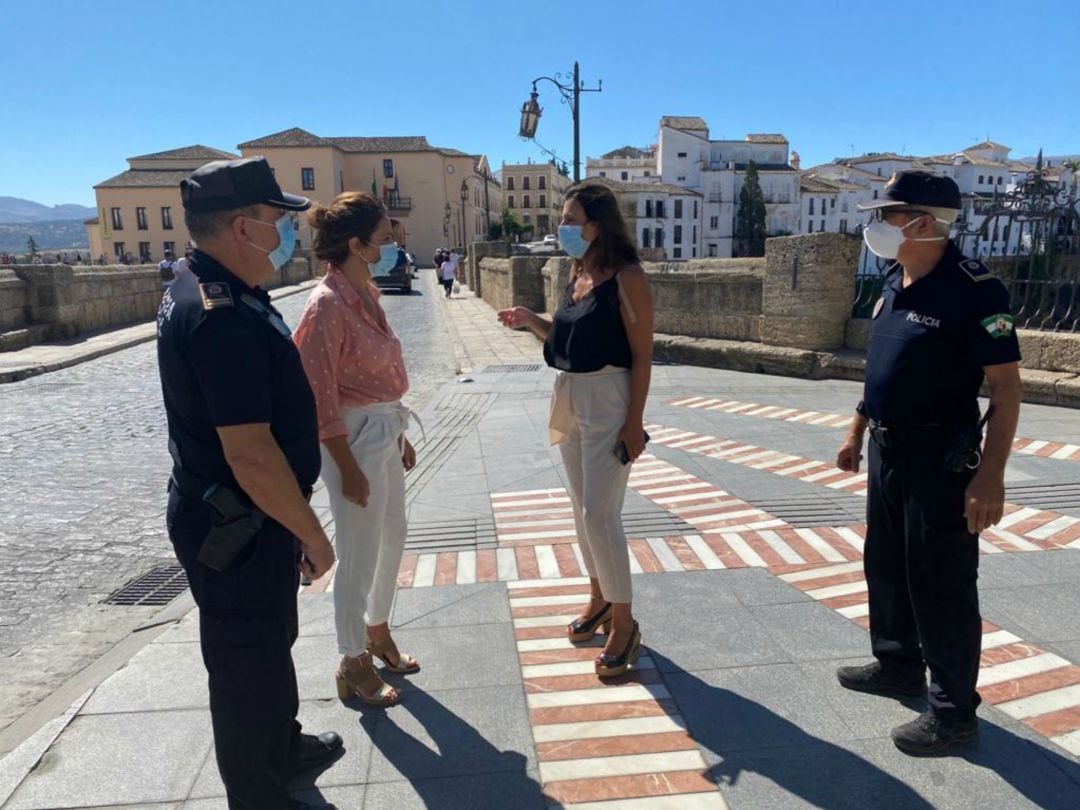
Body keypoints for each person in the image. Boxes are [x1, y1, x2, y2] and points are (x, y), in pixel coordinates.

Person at [156, 157, 342, 809]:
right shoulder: (222, 316)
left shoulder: (211, 283)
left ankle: (282, 747)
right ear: (243, 226)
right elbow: (252, 453)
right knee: (244, 666)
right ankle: (258, 794)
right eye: (277, 220)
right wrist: (312, 533)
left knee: (268, 645)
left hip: (247, 517)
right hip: (237, 520)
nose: (287, 231)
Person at [835, 170, 1023, 756]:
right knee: (886, 564)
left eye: (887, 215)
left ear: (923, 222)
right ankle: (896, 664)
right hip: (886, 448)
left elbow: (1007, 389)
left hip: (941, 458)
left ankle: (953, 712)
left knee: (941, 583)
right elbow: (884, 366)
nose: (876, 226)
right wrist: (856, 429)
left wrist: (989, 477)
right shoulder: (895, 275)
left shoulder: (976, 290)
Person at [497, 183, 654, 678]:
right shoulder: (578, 272)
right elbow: (568, 336)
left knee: (599, 514)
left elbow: (643, 354)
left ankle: (625, 620)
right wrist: (531, 322)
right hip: (570, 393)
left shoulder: (628, 278)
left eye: (571, 219)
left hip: (610, 397)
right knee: (580, 510)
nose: (562, 228)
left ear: (598, 224)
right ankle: (598, 598)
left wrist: (635, 422)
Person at [293, 191, 420, 708]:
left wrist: (399, 434)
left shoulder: (367, 293)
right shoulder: (325, 306)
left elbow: (378, 378)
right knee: (358, 550)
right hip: (352, 437)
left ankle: (378, 628)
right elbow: (318, 397)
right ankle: (351, 659)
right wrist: (347, 467)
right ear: (356, 244)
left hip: (382, 428)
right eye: (385, 240)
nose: (392, 248)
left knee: (393, 537)